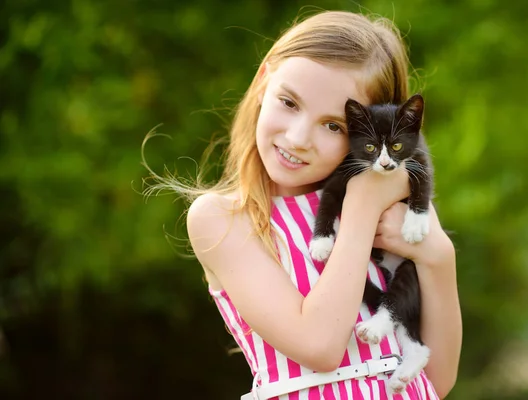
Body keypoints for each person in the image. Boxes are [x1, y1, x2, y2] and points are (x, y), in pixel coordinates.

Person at [153, 10, 461, 400]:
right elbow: (319, 346)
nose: (299, 138)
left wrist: (439, 256)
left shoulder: (394, 205)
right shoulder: (225, 219)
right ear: (264, 80)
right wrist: (361, 210)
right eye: (289, 102)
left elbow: (438, 378)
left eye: (334, 126)